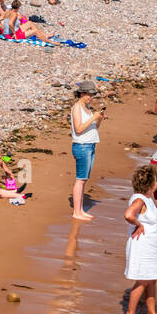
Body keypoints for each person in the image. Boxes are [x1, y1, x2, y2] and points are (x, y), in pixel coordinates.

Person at [124, 163, 157, 314]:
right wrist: (139, 225)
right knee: (142, 280)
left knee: (151, 279)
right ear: (149, 183)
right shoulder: (140, 199)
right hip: (143, 247)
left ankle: (151, 313)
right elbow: (128, 215)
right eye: (156, 180)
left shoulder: (147, 198)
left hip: (151, 248)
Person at [70, 81, 101, 221]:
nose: (91, 97)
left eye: (92, 94)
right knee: (80, 179)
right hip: (82, 146)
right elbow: (78, 129)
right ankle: (77, 212)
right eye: (89, 94)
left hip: (90, 145)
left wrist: (99, 119)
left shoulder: (87, 107)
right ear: (82, 93)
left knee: (83, 180)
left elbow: (94, 128)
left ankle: (80, 210)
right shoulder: (77, 108)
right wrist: (93, 117)